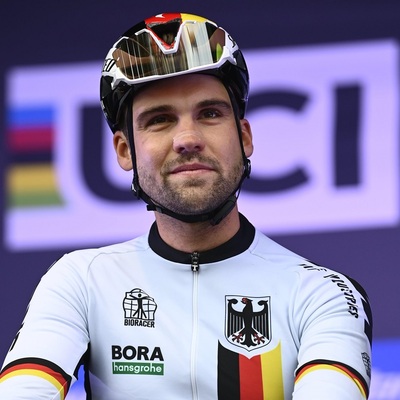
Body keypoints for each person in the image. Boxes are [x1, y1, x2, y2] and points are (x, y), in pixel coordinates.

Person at [0, 12, 372, 400]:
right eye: (160, 120)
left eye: (210, 114)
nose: (187, 138)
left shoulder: (322, 294)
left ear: (244, 137)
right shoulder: (81, 280)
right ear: (125, 151)